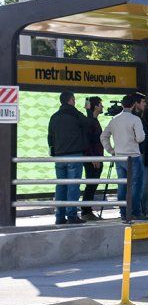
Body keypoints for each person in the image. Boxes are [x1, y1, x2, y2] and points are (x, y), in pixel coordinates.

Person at [101, 94, 148, 221]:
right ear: (133, 105)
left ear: (122, 105)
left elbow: (103, 136)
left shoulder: (114, 119)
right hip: (133, 156)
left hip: (119, 157)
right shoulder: (135, 119)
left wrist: (111, 150)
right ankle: (135, 212)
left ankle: (123, 212)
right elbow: (140, 138)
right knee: (135, 185)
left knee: (122, 185)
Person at [48, 91, 90, 225]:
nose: (75, 102)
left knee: (61, 187)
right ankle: (72, 216)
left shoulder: (54, 117)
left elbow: (50, 137)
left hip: (59, 156)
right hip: (74, 155)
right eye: (74, 99)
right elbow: (89, 125)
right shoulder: (75, 114)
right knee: (73, 186)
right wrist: (87, 111)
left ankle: (59, 217)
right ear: (70, 100)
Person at [81, 96, 104, 222]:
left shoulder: (93, 120)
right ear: (95, 106)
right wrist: (93, 157)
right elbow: (87, 141)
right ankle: (86, 210)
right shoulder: (90, 121)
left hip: (96, 157)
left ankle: (86, 209)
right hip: (93, 158)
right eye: (101, 105)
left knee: (93, 183)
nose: (102, 107)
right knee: (91, 184)